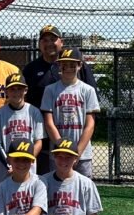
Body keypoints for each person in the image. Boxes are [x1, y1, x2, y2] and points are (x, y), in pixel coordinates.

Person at [23, 25, 97, 174]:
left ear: (61, 42)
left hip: (77, 140)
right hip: (44, 140)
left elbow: (91, 113)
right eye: (45, 40)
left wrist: (78, 149)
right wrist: (59, 146)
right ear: (39, 44)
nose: (49, 43)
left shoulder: (81, 70)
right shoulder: (31, 69)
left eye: (53, 39)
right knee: (48, 181)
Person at [40, 47, 100, 178]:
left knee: (83, 187)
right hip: (58, 153)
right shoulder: (50, 90)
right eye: (64, 64)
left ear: (80, 65)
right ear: (59, 65)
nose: (68, 68)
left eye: (72, 65)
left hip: (82, 155)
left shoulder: (88, 90)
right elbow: (49, 122)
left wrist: (77, 153)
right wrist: (62, 150)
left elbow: (90, 125)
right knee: (57, 186)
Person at [0, 72, 44, 187]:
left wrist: (26, 161)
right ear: (6, 91)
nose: (16, 92)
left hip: (28, 168)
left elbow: (38, 142)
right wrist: (10, 165)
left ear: (26, 90)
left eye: (19, 89)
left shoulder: (34, 112)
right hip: (7, 169)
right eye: (12, 89)